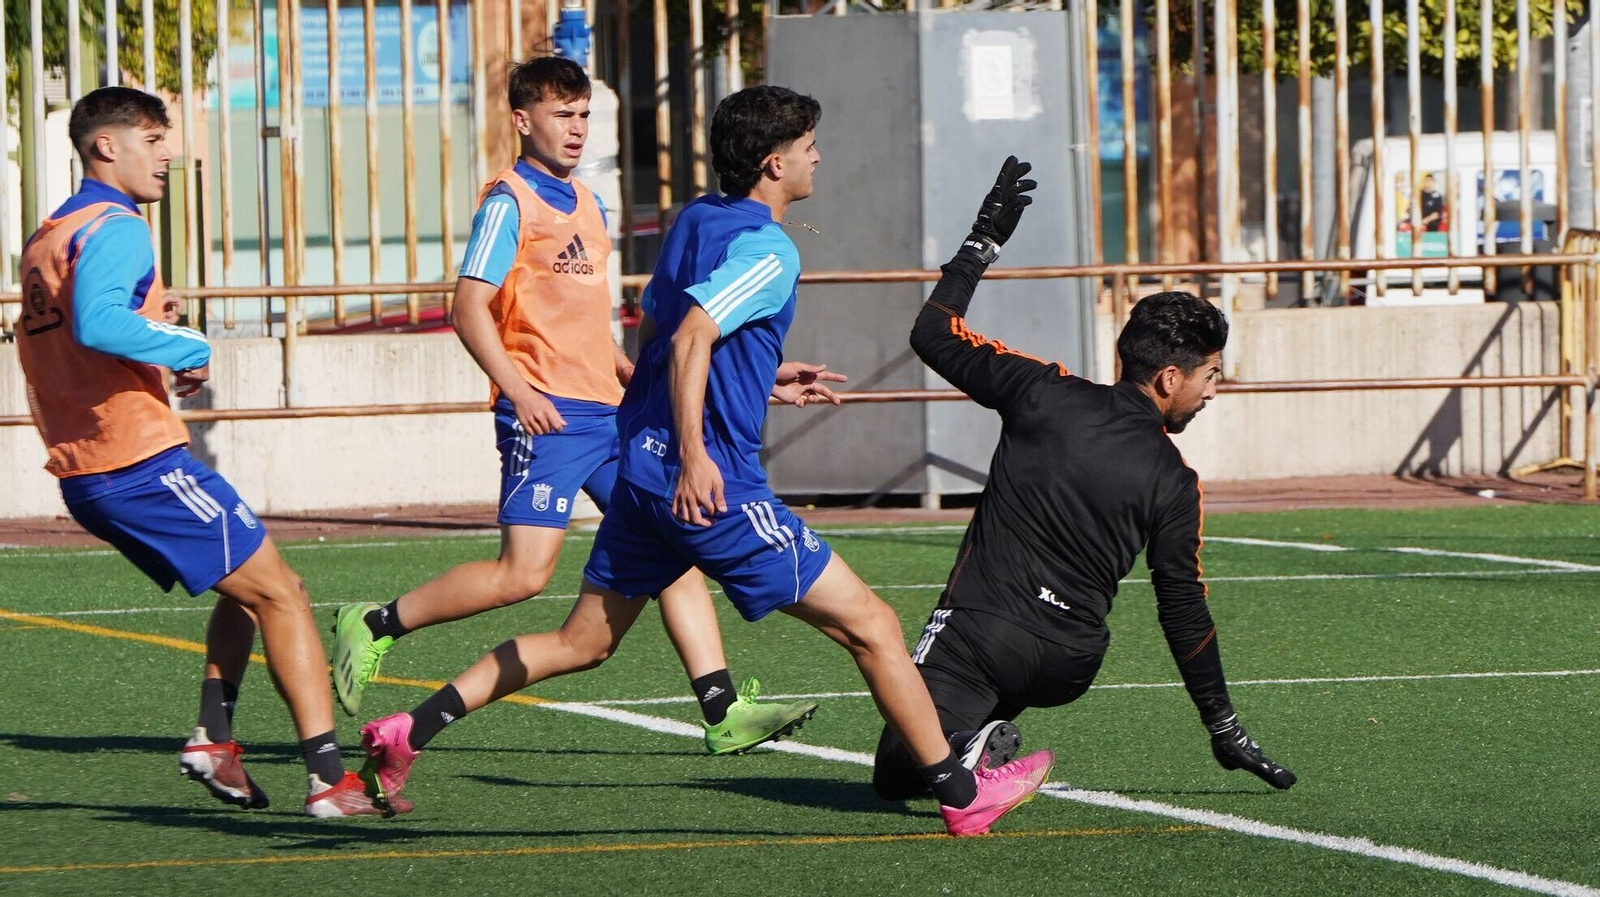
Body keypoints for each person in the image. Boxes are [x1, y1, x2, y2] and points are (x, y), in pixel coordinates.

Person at [358, 86, 1054, 837]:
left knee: (581, 640)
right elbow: (692, 335)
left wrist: (763, 373)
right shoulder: (772, 248)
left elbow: (664, 325)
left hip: (640, 476)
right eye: (808, 144)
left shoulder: (695, 217)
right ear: (772, 162)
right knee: (874, 625)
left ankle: (408, 729)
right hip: (710, 485)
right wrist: (697, 452)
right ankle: (960, 791)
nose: (817, 155)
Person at [329, 56, 815, 757]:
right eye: (563, 115)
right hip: (548, 414)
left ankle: (721, 708)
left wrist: (699, 374)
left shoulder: (586, 201)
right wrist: (520, 390)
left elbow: (608, 331)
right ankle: (375, 623)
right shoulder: (509, 203)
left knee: (674, 544)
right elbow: (467, 308)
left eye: (585, 114)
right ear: (523, 121)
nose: (578, 128)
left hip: (612, 413)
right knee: (522, 575)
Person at [15, 86, 397, 817]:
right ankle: (329, 780)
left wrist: (160, 349)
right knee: (284, 594)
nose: (169, 156)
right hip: (138, 461)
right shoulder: (116, 225)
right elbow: (97, 323)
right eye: (154, 140)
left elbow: (88, 334)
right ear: (106, 147)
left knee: (250, 588)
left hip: (91, 467)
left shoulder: (48, 236)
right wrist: (189, 344)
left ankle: (213, 740)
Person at [872, 157, 1296, 800]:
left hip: (982, 632)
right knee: (923, 758)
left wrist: (982, 244)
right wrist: (1223, 725)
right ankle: (977, 737)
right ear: (1169, 378)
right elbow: (1182, 608)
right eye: (1211, 374)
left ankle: (971, 745)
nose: (1214, 391)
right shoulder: (1176, 479)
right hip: (1069, 662)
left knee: (900, 772)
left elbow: (932, 333)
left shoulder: (1042, 391)